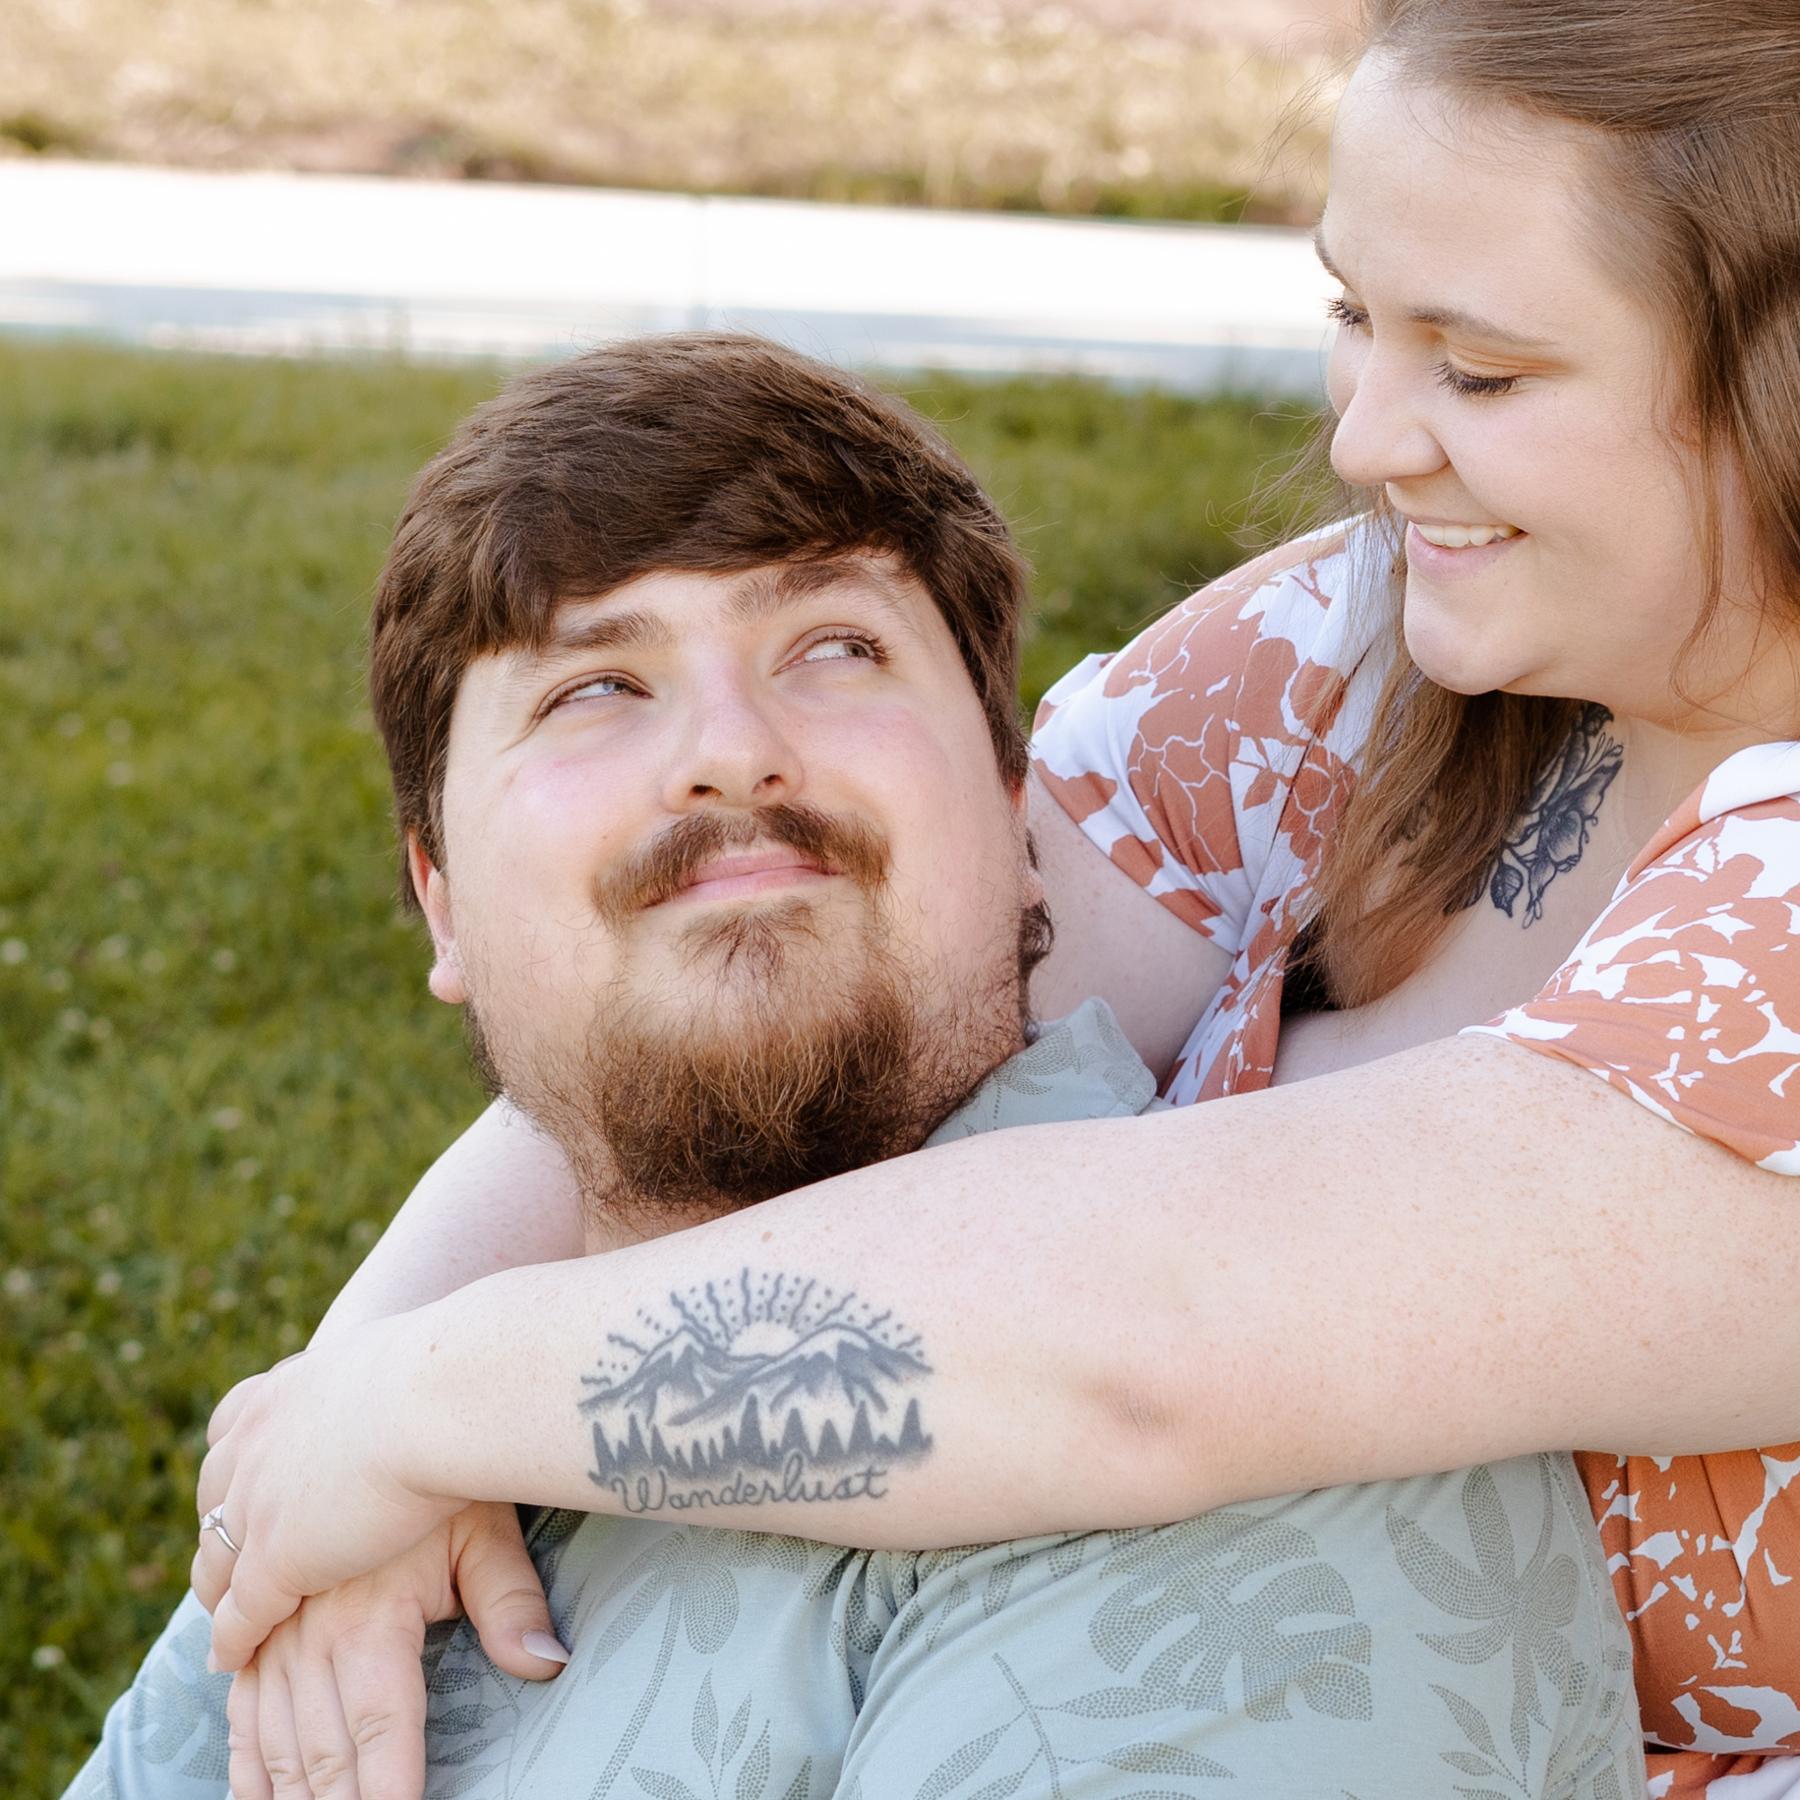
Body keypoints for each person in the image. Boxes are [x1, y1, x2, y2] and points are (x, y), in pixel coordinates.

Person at [90, 0, 1800, 1792]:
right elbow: (836, 955)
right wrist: (339, 1440)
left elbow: (1148, 1344)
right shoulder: (1365, 646)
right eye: (1354, 317)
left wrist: (428, 1407)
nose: (1367, 439)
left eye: (1483, 372)